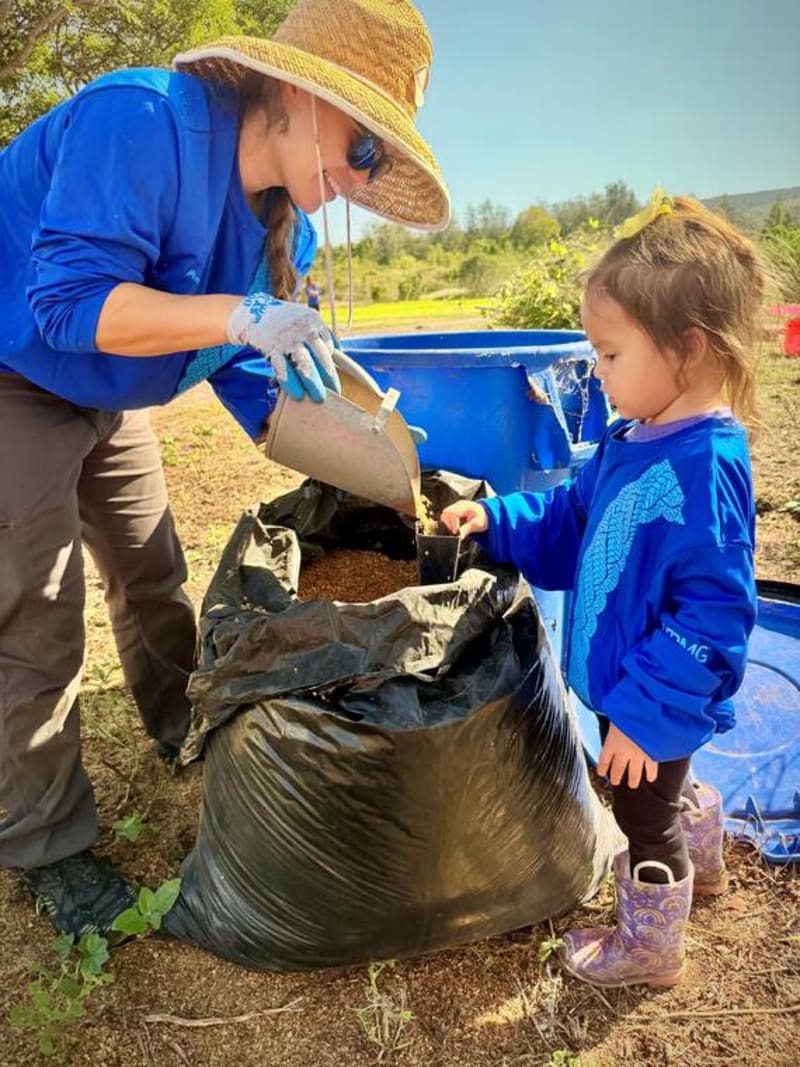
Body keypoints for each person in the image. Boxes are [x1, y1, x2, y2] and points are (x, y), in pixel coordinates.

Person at [0, 0, 449, 936]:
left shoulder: (290, 230)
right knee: (39, 612)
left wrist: (402, 479)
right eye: (362, 144)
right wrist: (236, 315)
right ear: (294, 93)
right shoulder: (145, 121)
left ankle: (177, 728)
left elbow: (267, 395)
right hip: (15, 367)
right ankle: (47, 844)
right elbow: (67, 305)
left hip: (108, 390)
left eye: (378, 159)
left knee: (152, 569)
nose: (362, 176)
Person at [442, 191, 763, 989]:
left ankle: (650, 947)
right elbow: (572, 516)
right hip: (631, 686)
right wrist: (497, 516)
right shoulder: (633, 439)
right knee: (661, 791)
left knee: (642, 817)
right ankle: (708, 858)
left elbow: (714, 618)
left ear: (687, 350)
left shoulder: (702, 468)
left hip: (654, 695)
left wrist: (649, 719)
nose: (598, 372)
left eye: (611, 355)